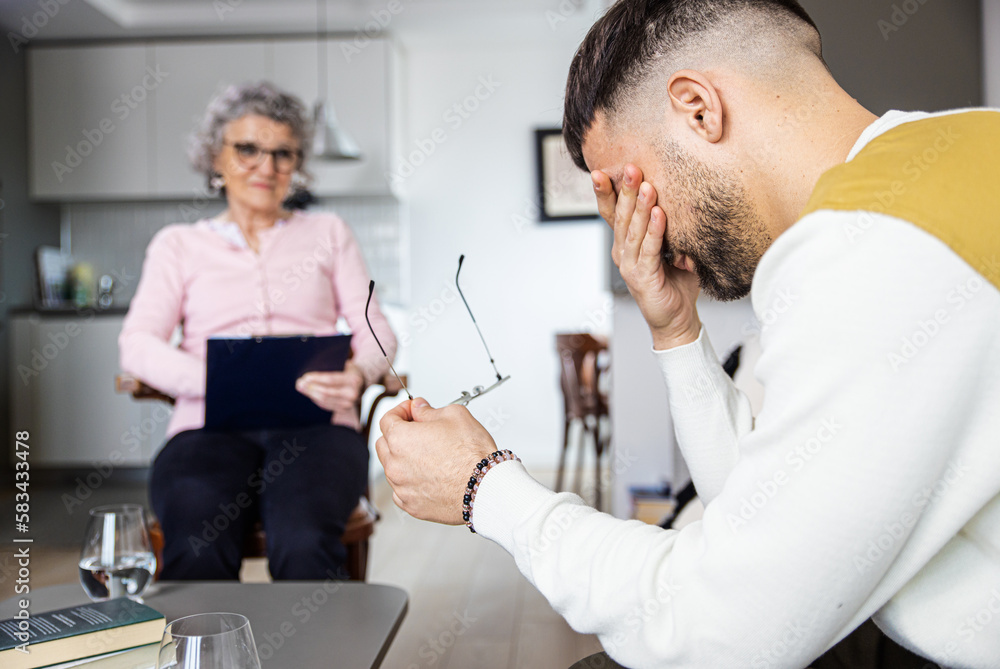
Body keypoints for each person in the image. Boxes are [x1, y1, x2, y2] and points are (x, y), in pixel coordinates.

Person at [375, 1, 1000, 667]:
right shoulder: (952, 165)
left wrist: (484, 487)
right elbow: (768, 517)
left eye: (626, 185)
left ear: (699, 108)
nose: (639, 224)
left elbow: (723, 631)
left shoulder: (874, 242)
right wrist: (677, 331)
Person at [120, 81, 397, 581]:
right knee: (197, 538)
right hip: (207, 427)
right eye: (248, 149)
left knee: (304, 536)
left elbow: (377, 332)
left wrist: (357, 374)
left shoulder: (328, 233)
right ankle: (206, 656)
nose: (266, 167)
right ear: (215, 157)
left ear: (297, 164)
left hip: (317, 426)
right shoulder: (178, 245)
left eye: (282, 154)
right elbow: (136, 343)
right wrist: (212, 381)